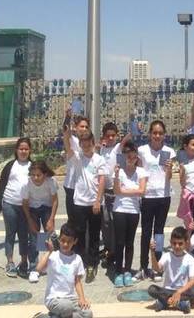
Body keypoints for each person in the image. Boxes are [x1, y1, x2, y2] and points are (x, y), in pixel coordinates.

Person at [63, 126, 108, 283]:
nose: (86, 147)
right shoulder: (77, 157)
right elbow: (67, 145)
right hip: (79, 202)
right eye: (83, 144)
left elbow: (102, 181)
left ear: (93, 143)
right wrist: (67, 131)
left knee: (94, 235)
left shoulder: (99, 159)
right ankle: (80, 262)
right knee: (80, 235)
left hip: (94, 203)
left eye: (88, 144)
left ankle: (92, 264)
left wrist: (98, 201)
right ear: (80, 144)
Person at [135, 120, 176, 281]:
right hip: (148, 195)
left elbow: (169, 177)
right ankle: (143, 266)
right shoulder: (142, 151)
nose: (157, 136)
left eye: (160, 133)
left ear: (164, 135)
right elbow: (139, 172)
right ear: (150, 134)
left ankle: (157, 265)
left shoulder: (169, 152)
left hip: (163, 195)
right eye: (154, 133)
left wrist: (169, 169)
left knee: (158, 232)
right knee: (146, 232)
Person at [36, 222, 92, 318]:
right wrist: (49, 251)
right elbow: (39, 268)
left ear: (75, 241)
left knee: (87, 314)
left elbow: (77, 282)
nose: (65, 244)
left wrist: (82, 298)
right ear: (59, 239)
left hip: (71, 299)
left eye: (69, 241)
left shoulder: (77, 259)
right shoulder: (53, 256)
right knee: (67, 308)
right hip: (54, 299)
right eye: (63, 240)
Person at [0, 136, 32, 277]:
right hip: (9, 204)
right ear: (16, 150)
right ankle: (10, 262)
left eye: (26, 149)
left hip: (26, 207)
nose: (23, 151)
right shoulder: (10, 165)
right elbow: (2, 184)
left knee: (24, 235)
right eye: (21, 149)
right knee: (10, 234)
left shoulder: (33, 166)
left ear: (30, 150)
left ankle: (24, 262)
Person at [112, 141, 148, 287]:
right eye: (128, 157)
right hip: (119, 209)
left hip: (134, 210)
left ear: (137, 157)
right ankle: (118, 271)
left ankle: (127, 270)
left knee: (129, 242)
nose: (131, 159)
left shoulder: (141, 171)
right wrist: (116, 176)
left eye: (134, 157)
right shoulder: (118, 171)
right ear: (124, 157)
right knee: (119, 242)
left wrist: (124, 191)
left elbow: (142, 191)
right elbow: (116, 191)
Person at [148, 226, 194, 313]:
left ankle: (164, 302)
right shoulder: (167, 256)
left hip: (183, 291)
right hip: (167, 290)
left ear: (186, 243)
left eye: (180, 243)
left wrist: (179, 292)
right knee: (151, 289)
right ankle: (181, 304)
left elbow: (193, 280)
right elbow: (157, 268)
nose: (177, 246)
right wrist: (152, 253)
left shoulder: (189, 258)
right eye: (174, 243)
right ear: (170, 242)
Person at [21, 160, 59, 283]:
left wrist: (51, 219)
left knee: (49, 234)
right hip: (32, 209)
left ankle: (53, 263)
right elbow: (25, 204)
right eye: (33, 175)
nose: (35, 178)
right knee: (34, 238)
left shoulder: (51, 181)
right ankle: (34, 268)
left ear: (45, 174)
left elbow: (55, 200)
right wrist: (30, 220)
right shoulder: (26, 184)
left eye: (38, 175)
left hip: (47, 208)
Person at [98, 121, 127, 270]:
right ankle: (108, 248)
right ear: (103, 136)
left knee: (115, 222)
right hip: (104, 192)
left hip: (116, 192)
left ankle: (115, 252)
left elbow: (126, 140)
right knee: (105, 223)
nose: (110, 138)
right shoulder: (101, 149)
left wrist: (133, 127)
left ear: (117, 136)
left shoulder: (118, 148)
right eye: (107, 136)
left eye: (113, 135)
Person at [63, 115, 91, 224]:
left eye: (86, 127)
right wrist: (67, 117)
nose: (84, 129)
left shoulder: (90, 143)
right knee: (73, 221)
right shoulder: (72, 140)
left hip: (85, 186)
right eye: (82, 126)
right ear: (75, 127)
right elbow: (66, 132)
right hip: (72, 186)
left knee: (84, 221)